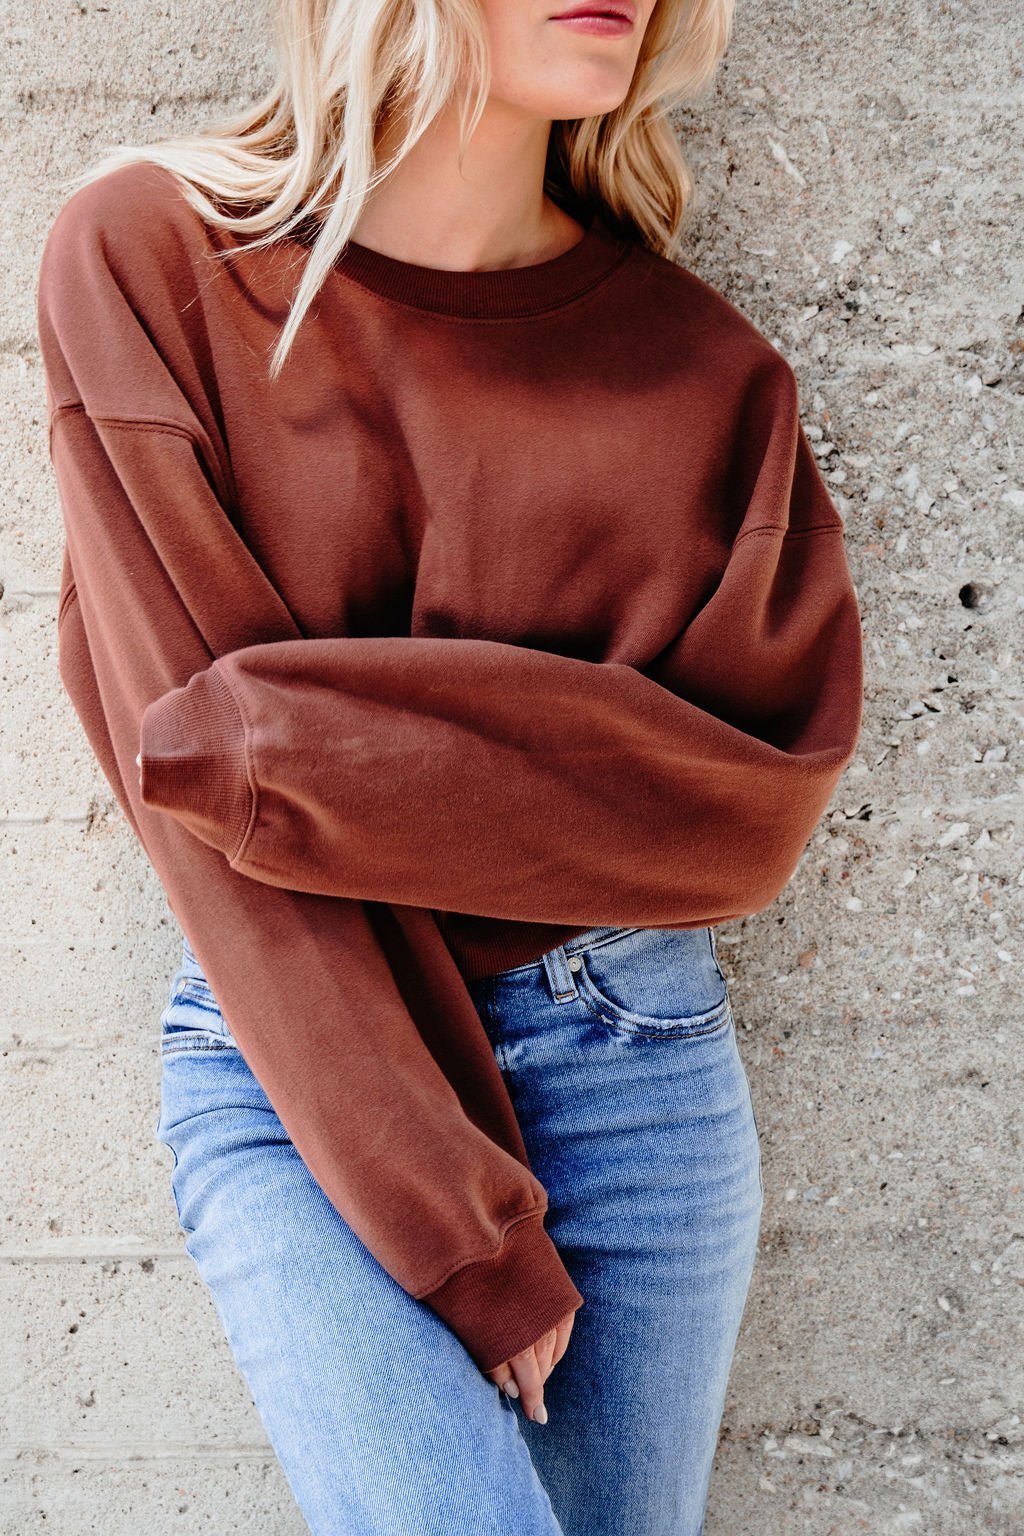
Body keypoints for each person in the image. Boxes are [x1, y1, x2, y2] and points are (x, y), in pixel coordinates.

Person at [36, 0, 864, 1531]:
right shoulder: (149, 256)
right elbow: (196, 781)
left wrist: (297, 739)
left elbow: (747, 814)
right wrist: (460, 1224)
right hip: (301, 1059)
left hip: (630, 1061)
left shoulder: (704, 372)